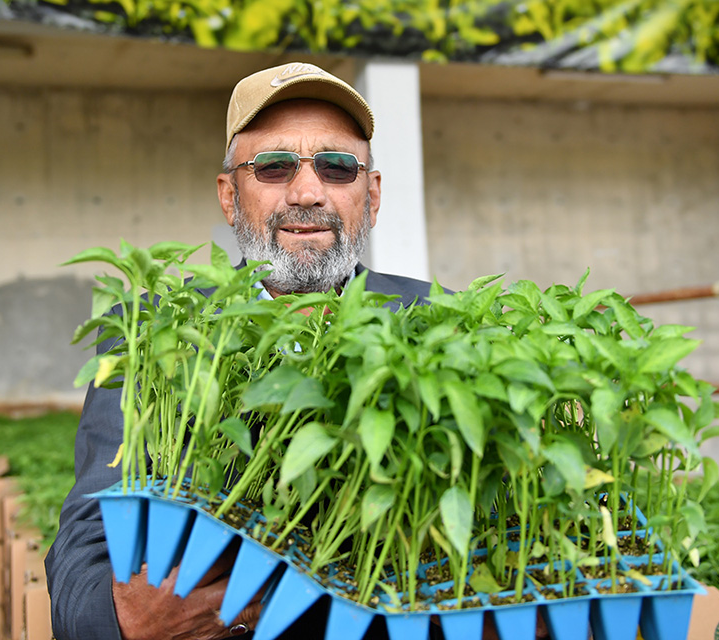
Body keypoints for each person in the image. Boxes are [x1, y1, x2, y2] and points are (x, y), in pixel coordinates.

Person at [46, 62, 439, 640]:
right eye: (275, 167)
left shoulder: (440, 324)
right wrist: (124, 620)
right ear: (230, 197)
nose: (308, 193)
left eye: (337, 167)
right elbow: (87, 542)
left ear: (371, 196)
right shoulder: (154, 332)